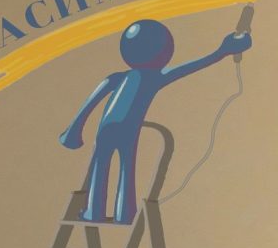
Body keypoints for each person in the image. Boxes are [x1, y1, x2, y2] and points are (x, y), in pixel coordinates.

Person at [60, 18, 251, 223]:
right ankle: (124, 214)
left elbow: (89, 105)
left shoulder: (115, 77)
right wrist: (222, 51)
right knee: (126, 168)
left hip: (106, 128)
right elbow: (190, 67)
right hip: (128, 130)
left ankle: (92, 212)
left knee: (100, 164)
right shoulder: (156, 77)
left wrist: (74, 131)